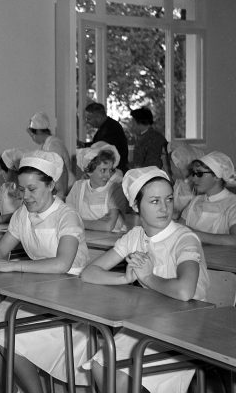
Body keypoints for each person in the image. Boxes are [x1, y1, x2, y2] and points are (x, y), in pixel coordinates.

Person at [81, 166, 210, 393]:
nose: (164, 208)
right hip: (149, 320)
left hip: (185, 328)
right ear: (135, 206)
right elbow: (89, 272)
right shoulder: (135, 236)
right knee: (101, 366)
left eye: (168, 199)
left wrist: (148, 277)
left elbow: (184, 292)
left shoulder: (184, 238)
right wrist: (124, 277)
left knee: (125, 380)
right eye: (154, 201)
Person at [0, 150, 91, 393]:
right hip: (37, 290)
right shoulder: (22, 214)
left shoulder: (67, 216)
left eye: (32, 189)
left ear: (51, 185)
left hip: (72, 297)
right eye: (21, 189)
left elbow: (62, 264)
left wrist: (12, 265)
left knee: (12, 342)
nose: (24, 196)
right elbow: (1, 249)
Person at [67, 142, 128, 232]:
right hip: (86, 238)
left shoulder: (115, 189)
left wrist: (79, 222)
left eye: (110, 170)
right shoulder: (78, 188)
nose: (108, 175)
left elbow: (108, 226)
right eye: (103, 170)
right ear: (89, 171)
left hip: (111, 241)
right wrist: (97, 223)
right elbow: (68, 218)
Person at [180, 151, 236, 245]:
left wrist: (194, 234)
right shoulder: (195, 201)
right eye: (193, 173)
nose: (193, 179)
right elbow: (178, 229)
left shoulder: (232, 204)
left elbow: (234, 240)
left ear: (217, 176)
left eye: (199, 174)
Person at [26, 111, 74, 199]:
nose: (33, 137)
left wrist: (62, 194)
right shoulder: (48, 144)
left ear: (39, 131)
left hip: (65, 188)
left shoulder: (53, 145)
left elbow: (62, 172)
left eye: (33, 134)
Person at [84, 102, 129, 174]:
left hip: (115, 171)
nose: (87, 122)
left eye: (89, 118)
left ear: (99, 117)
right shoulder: (106, 126)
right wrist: (83, 145)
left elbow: (101, 148)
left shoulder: (111, 128)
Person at [168, 142, 204, 220]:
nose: (170, 169)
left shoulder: (196, 186)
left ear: (180, 166)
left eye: (171, 165)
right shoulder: (179, 182)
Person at [0, 148, 24, 223]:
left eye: (2, 169)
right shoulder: (4, 188)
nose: (0, 173)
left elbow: (20, 214)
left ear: (11, 170)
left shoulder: (26, 190)